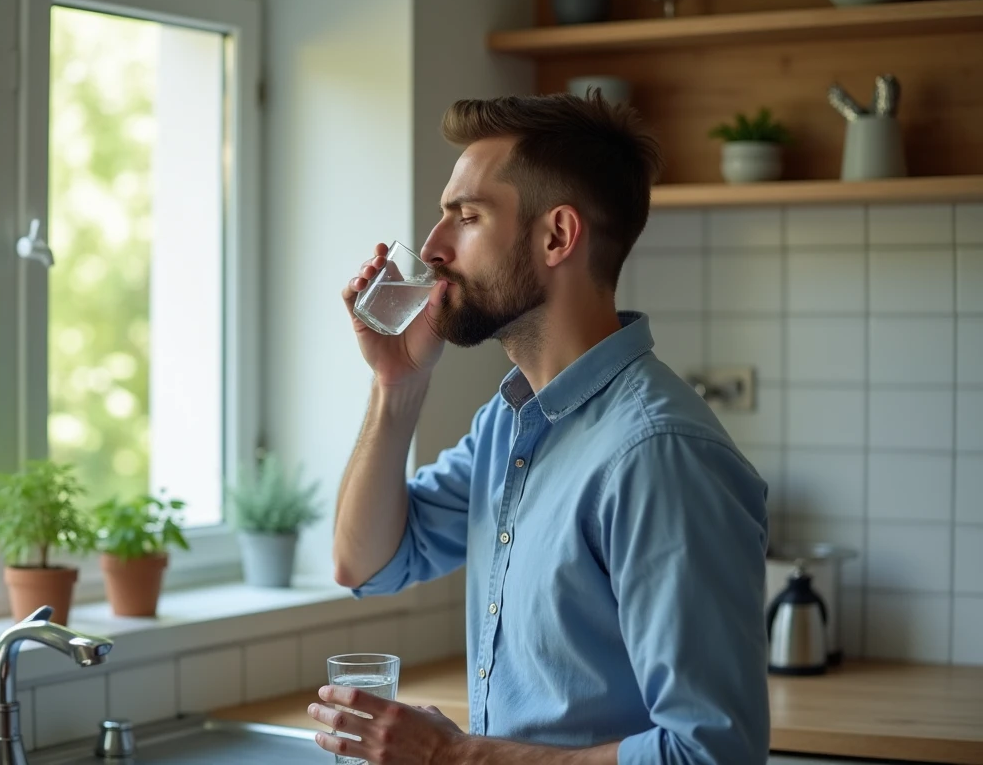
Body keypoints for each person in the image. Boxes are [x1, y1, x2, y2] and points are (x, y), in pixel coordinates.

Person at [307, 93, 771, 765]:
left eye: (467, 217)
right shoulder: (510, 424)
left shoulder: (658, 455)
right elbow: (367, 563)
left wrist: (454, 757)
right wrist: (396, 384)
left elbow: (709, 755)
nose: (433, 248)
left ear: (557, 236)